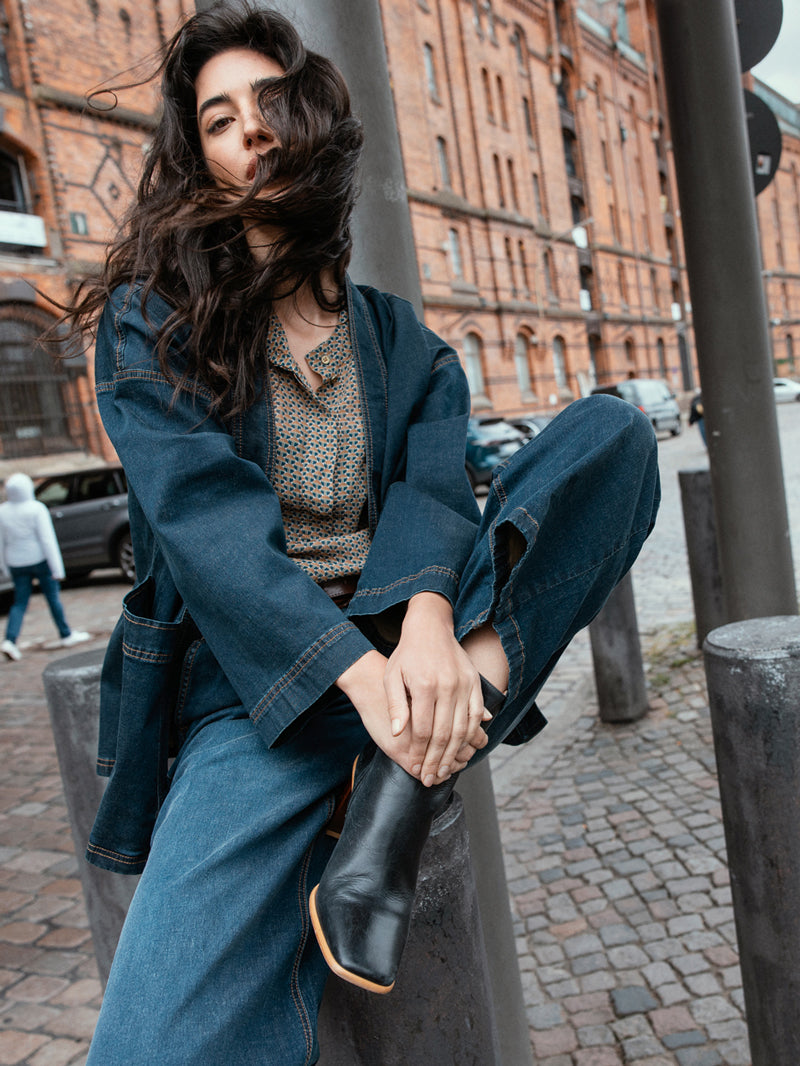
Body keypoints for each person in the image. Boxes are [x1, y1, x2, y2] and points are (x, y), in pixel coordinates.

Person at [60, 4, 660, 1063]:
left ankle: (397, 781)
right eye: (216, 118)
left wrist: (427, 625)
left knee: (609, 437)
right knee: (147, 1044)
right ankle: (409, 765)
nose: (248, 129)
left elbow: (435, 493)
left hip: (419, 662)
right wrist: (366, 682)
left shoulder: (403, 343)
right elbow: (210, 531)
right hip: (258, 695)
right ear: (197, 156)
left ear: (311, 120)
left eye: (267, 102)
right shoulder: (152, 323)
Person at [0, 473, 91, 660]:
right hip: (40, 560)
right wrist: (58, 569)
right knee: (52, 597)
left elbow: (1, 543)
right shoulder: (36, 509)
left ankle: (10, 640)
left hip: (16, 563)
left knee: (19, 603)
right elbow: (47, 540)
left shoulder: (3, 511)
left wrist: (5, 567)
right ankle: (66, 634)